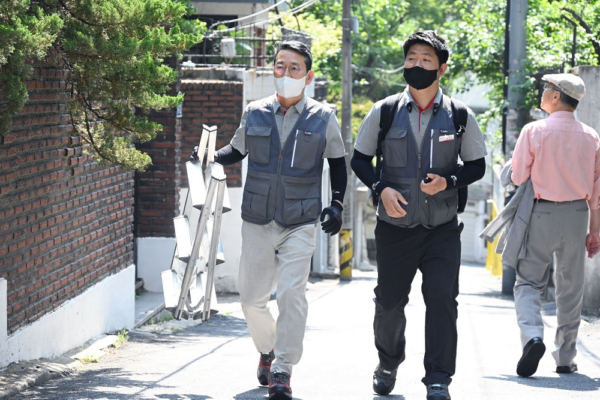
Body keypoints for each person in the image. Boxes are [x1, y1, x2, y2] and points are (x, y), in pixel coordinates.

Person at [351, 31, 487, 400]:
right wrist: (381, 188)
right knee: (390, 302)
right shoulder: (385, 111)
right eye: (411, 58)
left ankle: (438, 377)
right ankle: (389, 360)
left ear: (441, 68)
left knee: (442, 299)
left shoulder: (459, 114)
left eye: (425, 59)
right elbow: (360, 159)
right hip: (395, 227)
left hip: (442, 228)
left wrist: (449, 181)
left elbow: (477, 166)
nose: (416, 65)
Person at [211, 41, 347, 400]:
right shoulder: (254, 111)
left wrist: (336, 205)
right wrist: (208, 153)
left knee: (291, 294)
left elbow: (337, 163)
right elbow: (236, 150)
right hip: (258, 217)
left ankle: (283, 369)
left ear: (308, 75)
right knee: (251, 300)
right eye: (280, 66)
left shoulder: (323, 117)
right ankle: (268, 351)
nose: (285, 73)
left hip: (300, 219)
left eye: (294, 68)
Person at [510, 73, 600, 378]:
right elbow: (597, 192)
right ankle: (564, 357)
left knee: (528, 282)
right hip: (577, 215)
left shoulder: (534, 130)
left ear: (557, 96)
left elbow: (518, 176)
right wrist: (595, 230)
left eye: (547, 88)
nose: (544, 91)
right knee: (571, 288)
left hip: (541, 214)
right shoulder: (592, 136)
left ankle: (533, 337)